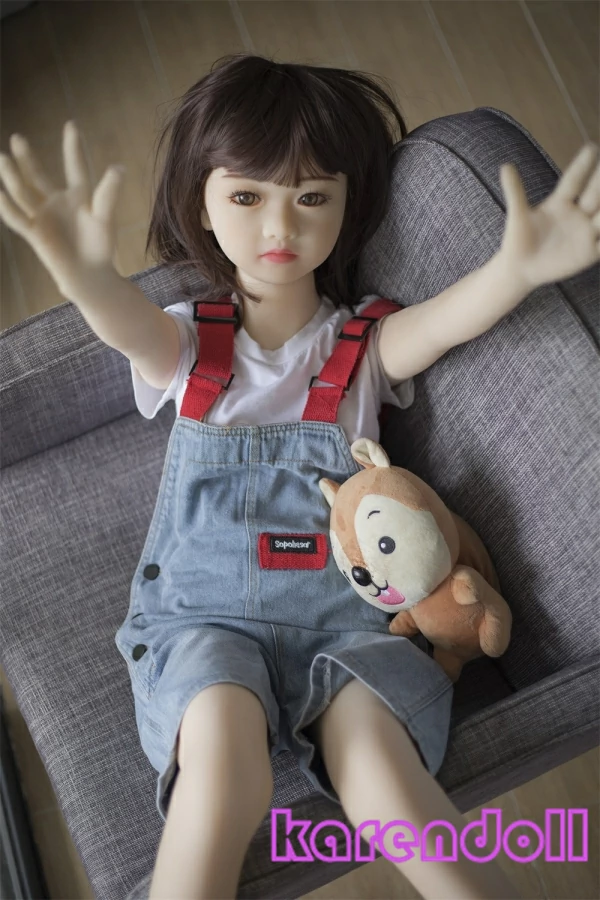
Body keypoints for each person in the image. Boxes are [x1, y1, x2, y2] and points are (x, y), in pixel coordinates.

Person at [1, 51, 598, 900]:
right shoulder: (190, 344)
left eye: (312, 197)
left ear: (348, 206)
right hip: (202, 622)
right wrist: (82, 273)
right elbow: (127, 326)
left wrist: (516, 269)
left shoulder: (360, 350)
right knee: (219, 770)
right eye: (247, 197)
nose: (279, 226)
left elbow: (441, 324)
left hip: (344, 629)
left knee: (383, 776)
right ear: (201, 205)